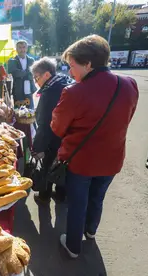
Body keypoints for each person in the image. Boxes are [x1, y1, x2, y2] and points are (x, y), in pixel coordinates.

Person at [50, 35, 139, 258]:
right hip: (112, 158)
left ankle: (73, 246)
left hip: (82, 161)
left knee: (77, 203)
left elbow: (57, 128)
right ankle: (90, 232)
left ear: (88, 64)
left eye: (72, 66)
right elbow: (127, 118)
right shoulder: (129, 84)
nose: (70, 72)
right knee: (97, 197)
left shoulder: (74, 92)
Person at [30, 57, 73, 205]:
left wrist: (37, 148)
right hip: (70, 137)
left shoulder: (49, 93)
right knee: (63, 165)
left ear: (47, 75)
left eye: (37, 77)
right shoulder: (66, 81)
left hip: (54, 138)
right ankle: (61, 194)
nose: (36, 81)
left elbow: (44, 124)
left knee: (48, 165)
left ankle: (44, 195)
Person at [8, 40, 36, 109]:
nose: (22, 49)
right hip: (18, 89)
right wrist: (27, 72)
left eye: (24, 47)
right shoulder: (12, 61)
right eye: (20, 47)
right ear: (16, 49)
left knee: (30, 110)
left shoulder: (31, 60)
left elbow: (33, 73)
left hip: (29, 89)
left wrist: (22, 73)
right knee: (18, 111)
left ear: (26, 48)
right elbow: (15, 73)